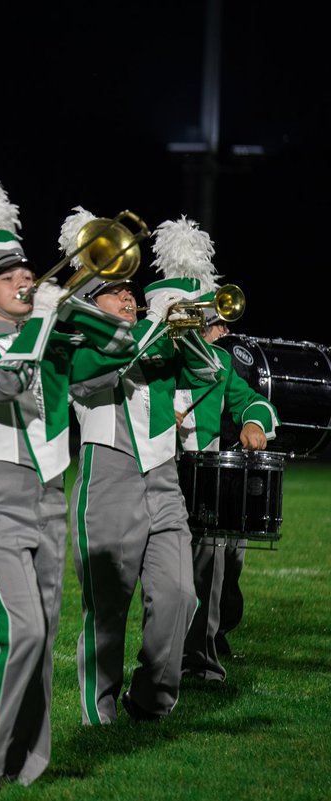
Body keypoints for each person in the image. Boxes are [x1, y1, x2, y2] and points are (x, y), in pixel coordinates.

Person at [0, 182, 134, 789]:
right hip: (0, 500)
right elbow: (2, 385)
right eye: (8, 278)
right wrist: (42, 323)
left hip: (51, 499)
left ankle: (24, 761)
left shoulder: (52, 338)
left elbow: (120, 347)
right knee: (21, 630)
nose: (24, 282)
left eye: (27, 273)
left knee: (44, 639)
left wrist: (75, 304)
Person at [65, 209, 226, 726]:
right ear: (91, 303)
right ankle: (99, 709)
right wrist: (158, 326)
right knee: (108, 605)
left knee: (180, 595)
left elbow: (208, 369)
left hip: (162, 479)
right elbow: (94, 373)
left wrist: (186, 323)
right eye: (115, 292)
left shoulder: (157, 341)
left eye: (133, 290)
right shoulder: (80, 345)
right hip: (108, 475)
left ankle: (151, 699)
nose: (130, 297)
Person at [167, 221, 278, 681]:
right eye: (210, 321)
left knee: (217, 560)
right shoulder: (157, 352)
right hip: (158, 471)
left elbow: (253, 401)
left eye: (216, 322)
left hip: (206, 473)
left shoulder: (221, 362)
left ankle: (199, 655)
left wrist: (254, 421)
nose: (219, 329)